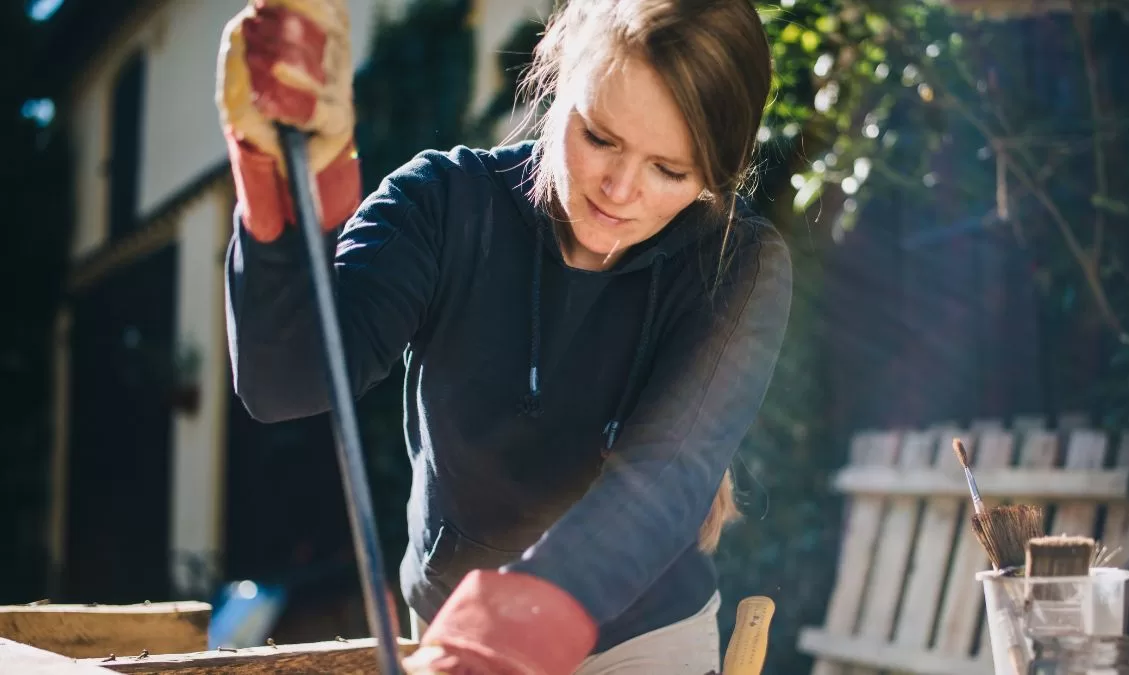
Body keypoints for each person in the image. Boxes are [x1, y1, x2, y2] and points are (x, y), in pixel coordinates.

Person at [215, 0, 791, 672]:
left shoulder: (738, 263)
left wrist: (508, 625)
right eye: (600, 137)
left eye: (671, 170)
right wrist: (277, 185)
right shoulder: (442, 204)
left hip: (643, 643)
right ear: (558, 78)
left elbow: (663, 481)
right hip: (451, 625)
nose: (621, 188)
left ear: (718, 174)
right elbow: (287, 378)